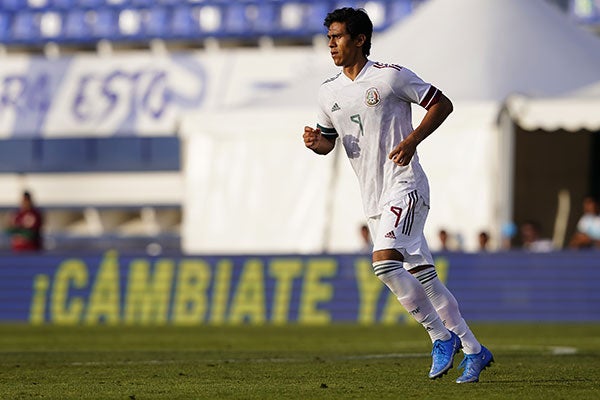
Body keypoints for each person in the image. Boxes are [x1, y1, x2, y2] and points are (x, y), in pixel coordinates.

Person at [302, 7, 493, 383]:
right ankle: (474, 349)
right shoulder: (328, 92)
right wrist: (316, 143)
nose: (331, 45)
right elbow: (330, 143)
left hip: (405, 184)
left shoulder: (390, 78)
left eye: (337, 37)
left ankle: (441, 337)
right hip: (373, 197)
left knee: (384, 263)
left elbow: (441, 103)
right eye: (329, 38)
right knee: (424, 276)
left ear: (359, 39)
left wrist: (411, 139)